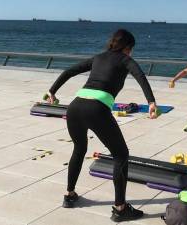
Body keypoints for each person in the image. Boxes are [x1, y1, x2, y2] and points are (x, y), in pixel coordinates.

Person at [45, 29, 157, 222]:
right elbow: (140, 75)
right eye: (131, 49)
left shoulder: (98, 57)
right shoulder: (124, 59)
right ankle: (120, 209)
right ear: (128, 48)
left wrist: (52, 91)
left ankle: (69, 195)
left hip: (75, 107)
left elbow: (69, 71)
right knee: (121, 155)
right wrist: (151, 102)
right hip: (95, 109)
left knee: (79, 149)